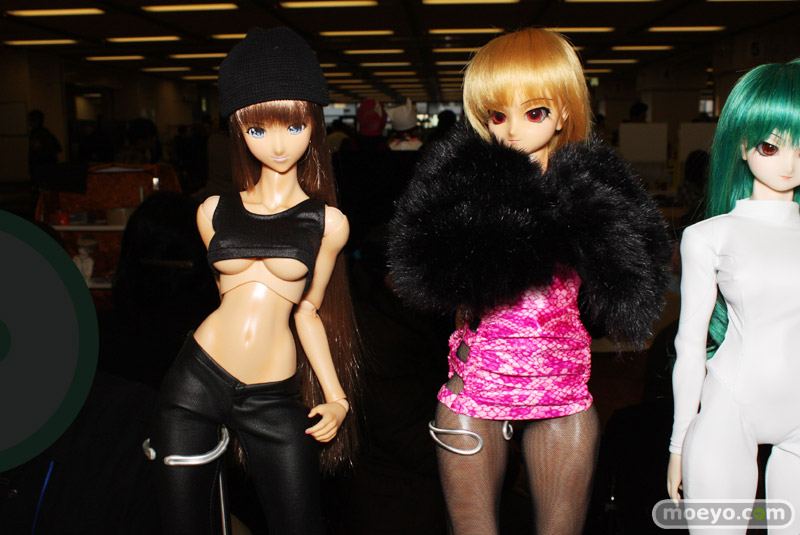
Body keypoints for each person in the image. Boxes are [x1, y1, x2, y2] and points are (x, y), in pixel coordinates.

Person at [387, 27, 670, 535]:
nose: (513, 130)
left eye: (534, 112)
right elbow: (421, 274)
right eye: (498, 116)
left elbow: (631, 293)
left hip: (562, 387)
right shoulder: (463, 184)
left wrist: (593, 227)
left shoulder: (595, 187)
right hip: (476, 388)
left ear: (563, 111)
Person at [147, 27, 360, 535]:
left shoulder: (328, 223)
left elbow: (307, 311)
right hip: (196, 378)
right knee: (182, 523)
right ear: (238, 131)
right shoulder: (212, 212)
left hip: (271, 394)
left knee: (298, 522)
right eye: (258, 129)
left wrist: (337, 398)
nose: (279, 144)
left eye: (294, 125)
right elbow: (228, 298)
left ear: (314, 124)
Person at [667, 59, 800, 534]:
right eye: (771, 146)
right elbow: (690, 346)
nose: (789, 164)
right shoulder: (709, 236)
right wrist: (678, 444)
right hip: (731, 404)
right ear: (743, 146)